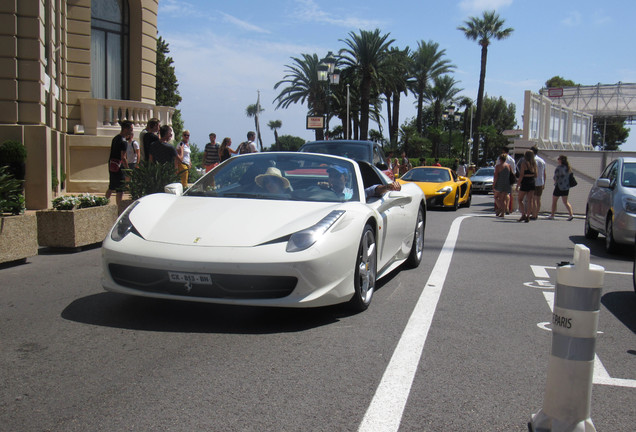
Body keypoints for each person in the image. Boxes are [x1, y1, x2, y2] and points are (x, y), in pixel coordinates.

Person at [105, 120, 131, 206]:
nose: (131, 131)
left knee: (111, 187)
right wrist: (127, 170)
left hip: (112, 165)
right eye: (130, 129)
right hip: (119, 168)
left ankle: (103, 204)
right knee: (120, 190)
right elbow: (123, 157)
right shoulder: (124, 142)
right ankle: (119, 208)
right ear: (125, 129)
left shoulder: (115, 138)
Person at [548, 155, 574, 220]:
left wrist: (555, 181)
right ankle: (571, 214)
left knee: (554, 201)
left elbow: (556, 177)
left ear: (561, 160)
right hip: (566, 187)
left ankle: (552, 214)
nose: (558, 160)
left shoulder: (559, 168)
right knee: (565, 201)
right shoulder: (568, 168)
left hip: (559, 186)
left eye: (559, 159)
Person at [516, 150, 537, 222]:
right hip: (532, 181)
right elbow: (536, 174)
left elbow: (521, 175)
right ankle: (528, 215)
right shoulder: (534, 164)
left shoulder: (524, 163)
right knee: (530, 200)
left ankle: (523, 214)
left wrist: (518, 184)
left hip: (525, 181)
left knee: (520, 199)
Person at [492, 153, 513, 218]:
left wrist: (494, 184)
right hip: (506, 183)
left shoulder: (498, 166)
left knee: (496, 197)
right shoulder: (508, 166)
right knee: (503, 199)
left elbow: (496, 176)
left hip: (500, 183)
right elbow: (511, 174)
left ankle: (500, 208)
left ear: (500, 159)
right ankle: (503, 212)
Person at [531, 146, 546, 220]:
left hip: (534, 181)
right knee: (538, 199)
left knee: (533, 199)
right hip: (541, 181)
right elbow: (544, 173)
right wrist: (544, 183)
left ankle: (534, 214)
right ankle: (536, 213)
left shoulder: (533, 160)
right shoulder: (542, 161)